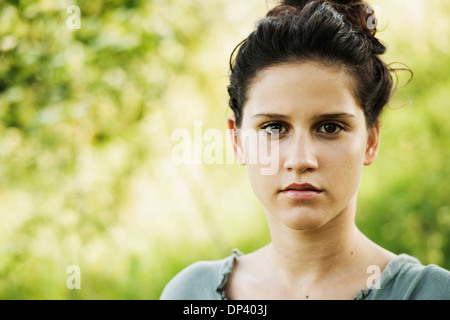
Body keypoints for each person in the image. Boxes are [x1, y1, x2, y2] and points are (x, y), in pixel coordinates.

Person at [160, 0, 450, 300]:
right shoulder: (191, 294)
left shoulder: (434, 293)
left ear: (370, 140)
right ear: (237, 141)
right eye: (273, 127)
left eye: (330, 127)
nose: (300, 160)